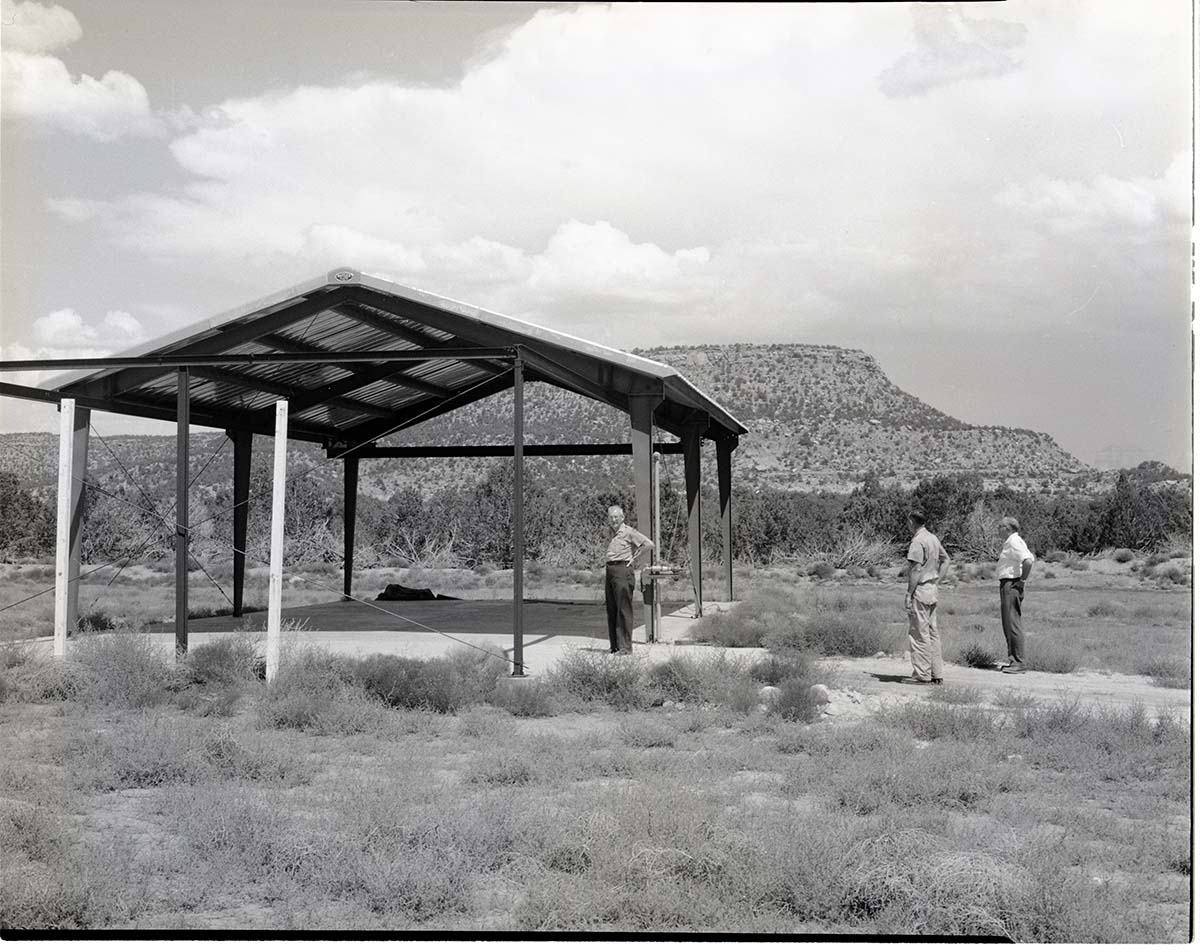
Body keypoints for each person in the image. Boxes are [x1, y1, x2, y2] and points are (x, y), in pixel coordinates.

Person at [902, 509, 951, 685]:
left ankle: (922, 674)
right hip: (932, 589)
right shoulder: (933, 538)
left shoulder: (918, 541)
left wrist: (909, 593)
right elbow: (946, 560)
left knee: (919, 633)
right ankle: (936, 673)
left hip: (921, 589)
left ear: (911, 521)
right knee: (932, 632)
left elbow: (915, 569)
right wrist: (938, 580)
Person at [603, 505, 654, 654]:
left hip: (623, 570)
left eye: (616, 517)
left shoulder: (628, 532)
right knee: (612, 608)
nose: (613, 520)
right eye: (611, 517)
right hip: (611, 570)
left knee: (623, 609)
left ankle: (626, 647)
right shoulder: (610, 533)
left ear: (622, 517)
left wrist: (634, 558)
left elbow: (648, 544)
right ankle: (615, 646)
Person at [996, 515, 1035, 674]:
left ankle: (1018, 662)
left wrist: (1022, 581)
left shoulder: (1014, 542)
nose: (998, 530)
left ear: (1007, 528)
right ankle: (1014, 661)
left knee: (1012, 622)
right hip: (1009, 583)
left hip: (1012, 583)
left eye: (1000, 527)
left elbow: (1028, 560)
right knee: (1009, 622)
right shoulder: (1011, 542)